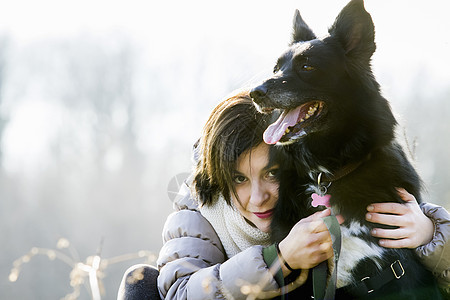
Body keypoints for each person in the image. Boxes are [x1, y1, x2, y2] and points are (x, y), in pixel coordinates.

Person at [117, 90, 450, 299]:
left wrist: (429, 233)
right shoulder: (199, 213)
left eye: (272, 174)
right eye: (239, 179)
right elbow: (179, 294)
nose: (258, 197)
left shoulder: (316, 189)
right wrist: (280, 260)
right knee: (140, 284)